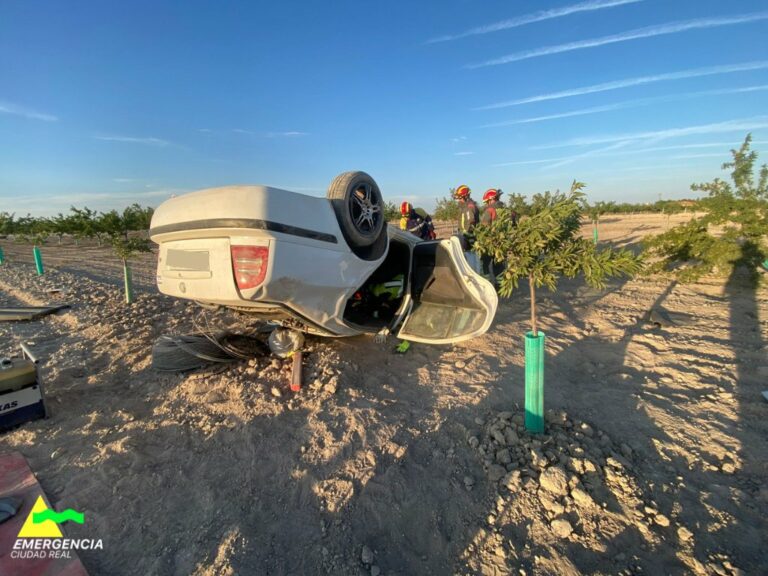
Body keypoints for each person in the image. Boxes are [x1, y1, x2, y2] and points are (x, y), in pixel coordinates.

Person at [480, 188, 506, 289]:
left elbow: (484, 227)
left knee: (484, 264)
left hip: (490, 242)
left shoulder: (489, 210)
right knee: (499, 265)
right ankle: (500, 287)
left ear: (491, 199)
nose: (487, 204)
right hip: (502, 242)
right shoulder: (505, 210)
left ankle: (487, 286)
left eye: (487, 202)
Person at [454, 184, 479, 249]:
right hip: (464, 235)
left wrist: (465, 234)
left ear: (466, 197)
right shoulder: (464, 207)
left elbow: (470, 221)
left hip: (468, 237)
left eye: (460, 198)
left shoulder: (469, 206)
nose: (459, 200)